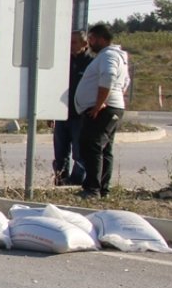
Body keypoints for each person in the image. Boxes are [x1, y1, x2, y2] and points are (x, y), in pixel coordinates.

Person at [74, 23, 131, 199]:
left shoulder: (109, 56)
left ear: (101, 39)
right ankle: (102, 189)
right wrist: (114, 97)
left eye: (91, 39)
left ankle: (92, 189)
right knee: (103, 149)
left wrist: (100, 103)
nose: (89, 42)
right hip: (109, 107)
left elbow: (109, 76)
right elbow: (126, 81)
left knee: (92, 146)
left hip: (101, 109)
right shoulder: (114, 56)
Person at [52, 30, 94, 186]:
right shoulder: (64, 63)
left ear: (85, 44)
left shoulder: (91, 63)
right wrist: (50, 112)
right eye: (68, 42)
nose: (70, 46)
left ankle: (75, 182)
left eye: (74, 42)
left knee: (79, 152)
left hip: (81, 116)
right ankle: (60, 180)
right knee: (60, 152)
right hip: (62, 113)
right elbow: (56, 86)